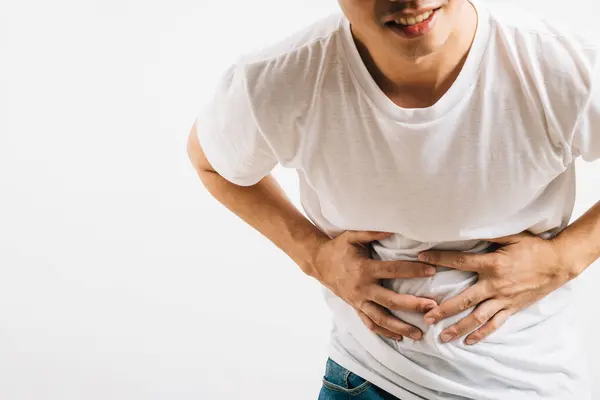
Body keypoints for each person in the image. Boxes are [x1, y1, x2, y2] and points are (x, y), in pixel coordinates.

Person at [187, 0, 600, 398]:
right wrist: (313, 255)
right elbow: (212, 162)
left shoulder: (561, 66)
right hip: (369, 379)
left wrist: (567, 258)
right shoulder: (279, 78)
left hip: (533, 382)